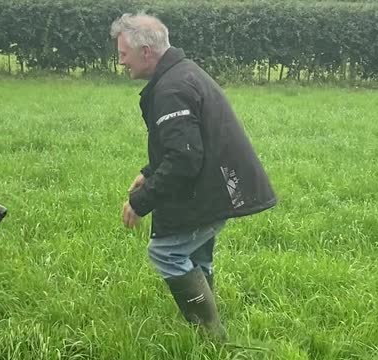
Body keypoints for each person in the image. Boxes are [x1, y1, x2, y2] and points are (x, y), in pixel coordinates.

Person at [110, 13, 277, 340]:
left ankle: (210, 332)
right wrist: (148, 173)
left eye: (123, 54)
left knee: (166, 253)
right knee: (196, 254)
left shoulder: (173, 87)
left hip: (212, 188)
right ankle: (207, 329)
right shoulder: (179, 75)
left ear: (146, 52)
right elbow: (183, 145)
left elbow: (184, 157)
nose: (120, 62)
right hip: (217, 185)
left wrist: (140, 202)